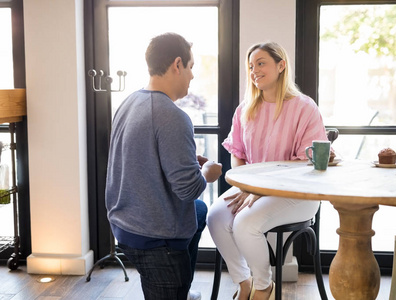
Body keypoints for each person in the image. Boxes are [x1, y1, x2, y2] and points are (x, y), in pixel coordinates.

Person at [206, 42, 328, 300]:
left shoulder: (305, 108)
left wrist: (259, 191)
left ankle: (264, 287)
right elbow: (237, 154)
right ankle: (244, 283)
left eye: (261, 63)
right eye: (251, 66)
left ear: (281, 65)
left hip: (297, 194)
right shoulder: (245, 109)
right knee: (216, 217)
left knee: (245, 224)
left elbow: (306, 166)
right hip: (251, 191)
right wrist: (248, 187)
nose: (254, 71)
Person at [105, 32, 222, 300]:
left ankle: (182, 288)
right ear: (177, 64)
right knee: (197, 202)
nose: (192, 76)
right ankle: (175, 285)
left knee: (200, 211)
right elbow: (188, 190)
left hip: (124, 222)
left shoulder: (130, 102)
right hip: (155, 238)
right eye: (191, 68)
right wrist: (208, 172)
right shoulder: (174, 117)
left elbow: (142, 158)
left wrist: (188, 161)